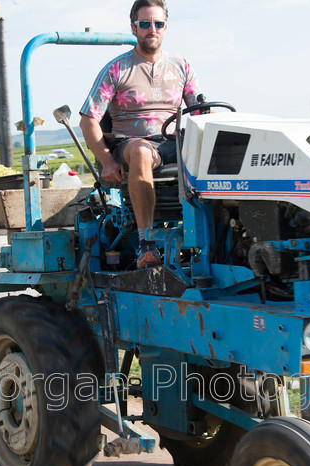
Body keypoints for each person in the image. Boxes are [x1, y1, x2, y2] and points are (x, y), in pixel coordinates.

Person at [79, 0, 202, 269]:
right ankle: (146, 244)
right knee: (141, 151)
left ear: (165, 27)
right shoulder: (118, 69)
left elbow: (199, 112)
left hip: (172, 141)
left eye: (158, 24)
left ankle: (216, 237)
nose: (152, 29)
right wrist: (107, 161)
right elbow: (88, 119)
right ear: (134, 27)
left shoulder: (181, 66)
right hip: (130, 145)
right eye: (145, 24)